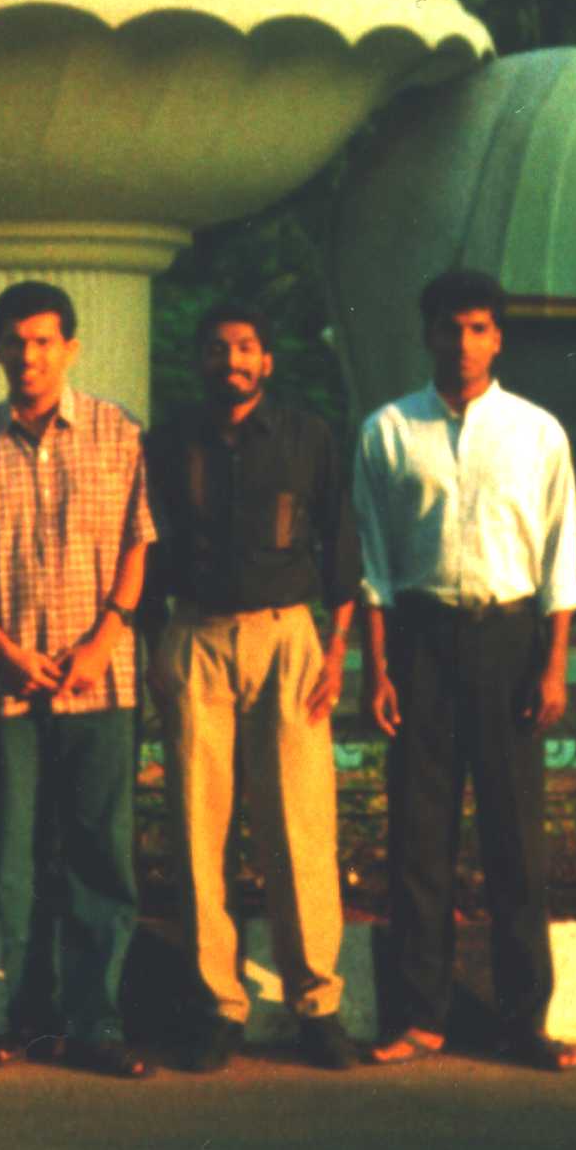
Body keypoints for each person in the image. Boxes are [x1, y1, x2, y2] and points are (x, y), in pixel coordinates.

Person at [0, 280, 157, 1080]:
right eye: (16, 342)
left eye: (45, 340)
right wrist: (5, 650)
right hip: (8, 684)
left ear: (71, 347)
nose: (30, 355)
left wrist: (104, 637)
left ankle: (98, 1023)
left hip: (101, 679)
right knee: (19, 857)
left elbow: (138, 541)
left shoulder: (118, 434)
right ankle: (28, 1019)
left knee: (99, 854)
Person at [354, 269, 576, 1074]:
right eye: (449, 327)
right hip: (421, 642)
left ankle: (525, 1023)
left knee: (514, 839)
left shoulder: (538, 433)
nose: (463, 342)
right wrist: (376, 670)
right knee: (420, 838)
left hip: (510, 642)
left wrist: (553, 668)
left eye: (479, 327)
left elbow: (562, 558)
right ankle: (421, 1016)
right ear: (428, 333)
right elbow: (373, 565)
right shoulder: (387, 431)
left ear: (498, 337)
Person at [144, 305, 361, 1073]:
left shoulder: (308, 437)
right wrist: (153, 650)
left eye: (244, 348)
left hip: (285, 639)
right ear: (202, 362)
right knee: (199, 832)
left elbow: (340, 542)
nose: (230, 361)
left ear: (267, 360)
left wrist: (337, 653)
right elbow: (149, 548)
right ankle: (218, 1005)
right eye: (216, 349)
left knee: (299, 825)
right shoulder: (168, 442)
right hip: (196, 636)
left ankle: (317, 1003)